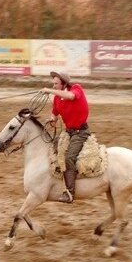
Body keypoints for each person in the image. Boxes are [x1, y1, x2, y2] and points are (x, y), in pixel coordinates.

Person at [40, 70, 90, 204]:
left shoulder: (76, 88)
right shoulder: (57, 98)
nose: (53, 86)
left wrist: (50, 91)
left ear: (64, 83)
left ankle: (70, 193)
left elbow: (71, 96)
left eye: (56, 83)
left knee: (69, 157)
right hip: (68, 132)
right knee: (54, 146)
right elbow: (54, 114)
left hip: (81, 132)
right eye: (53, 84)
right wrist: (51, 119)